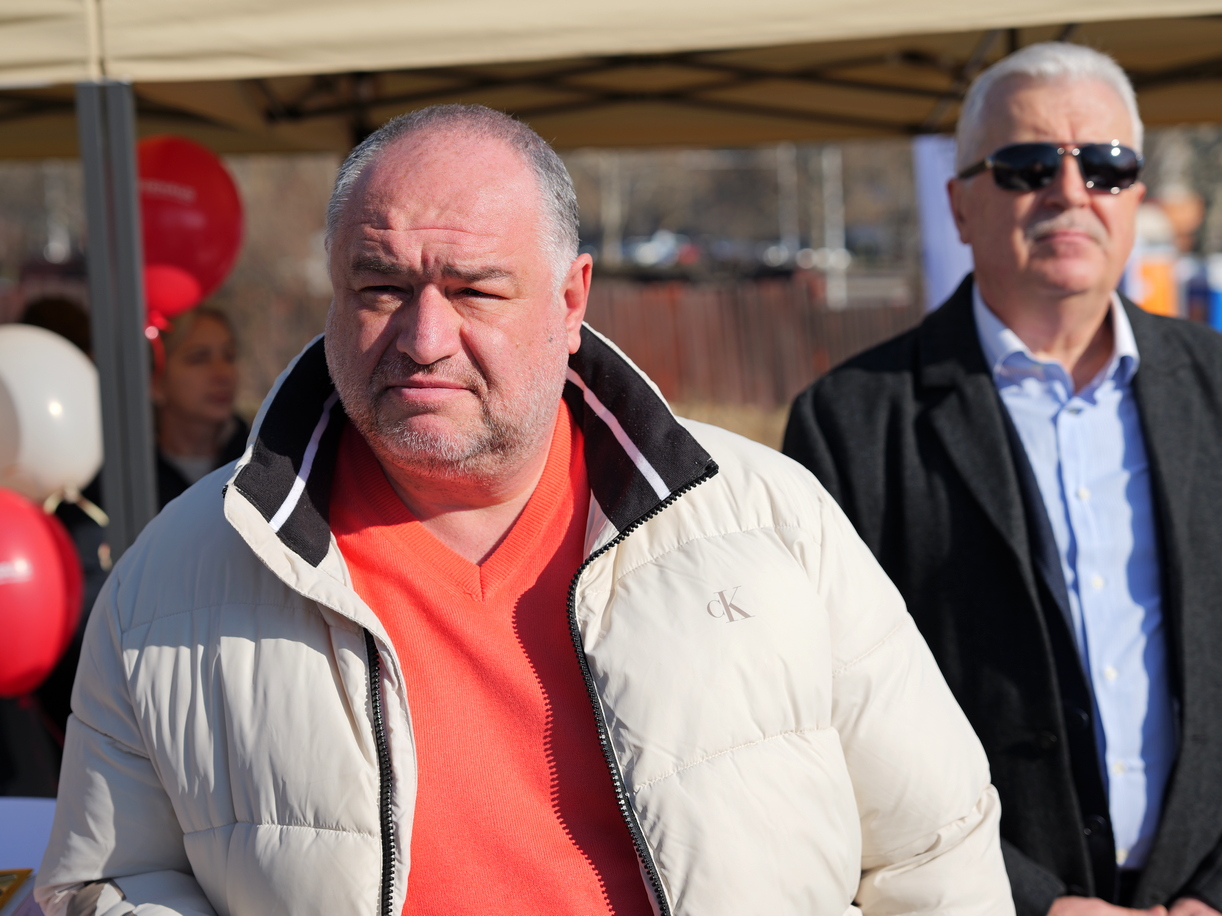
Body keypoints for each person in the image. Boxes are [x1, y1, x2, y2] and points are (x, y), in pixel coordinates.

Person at [37, 104, 1012, 916]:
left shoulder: (767, 523)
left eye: (474, 289)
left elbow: (936, 855)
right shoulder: (179, 570)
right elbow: (107, 882)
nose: (424, 337)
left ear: (570, 298)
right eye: (380, 287)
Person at [784, 42, 1222, 916]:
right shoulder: (852, 421)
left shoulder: (1214, 386)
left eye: (1106, 166)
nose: (1070, 192)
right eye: (1027, 166)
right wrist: (1035, 901)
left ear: (1135, 195)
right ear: (960, 204)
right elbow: (824, 715)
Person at [151, 305, 249, 508]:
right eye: (199, 358)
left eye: (229, 356)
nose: (223, 374)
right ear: (155, 383)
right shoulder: (126, 478)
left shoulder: (263, 463)